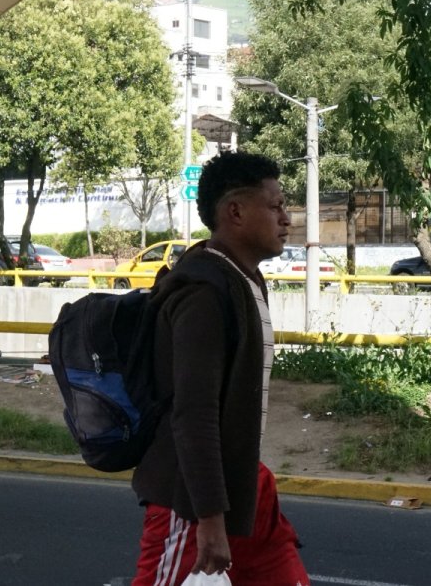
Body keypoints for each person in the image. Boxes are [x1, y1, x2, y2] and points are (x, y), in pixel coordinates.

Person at [131, 151, 310, 586]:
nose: (287, 218)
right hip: (191, 501)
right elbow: (194, 413)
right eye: (275, 206)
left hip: (247, 486)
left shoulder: (241, 278)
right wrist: (208, 519)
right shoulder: (204, 294)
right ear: (236, 211)